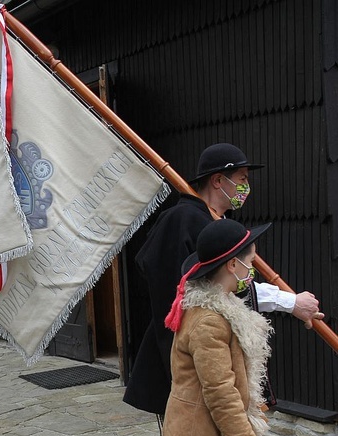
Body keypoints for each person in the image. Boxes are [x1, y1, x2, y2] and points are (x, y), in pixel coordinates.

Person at [124, 143, 323, 419]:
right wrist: (290, 302)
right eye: (242, 179)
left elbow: (233, 286)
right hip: (192, 357)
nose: (246, 187)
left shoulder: (217, 223)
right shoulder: (182, 220)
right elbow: (187, 293)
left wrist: (291, 303)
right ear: (218, 180)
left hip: (215, 354)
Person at [154, 218, 280, 436]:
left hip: (205, 434)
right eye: (251, 261)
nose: (252, 269)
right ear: (233, 265)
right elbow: (221, 394)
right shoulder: (209, 321)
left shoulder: (217, 310)